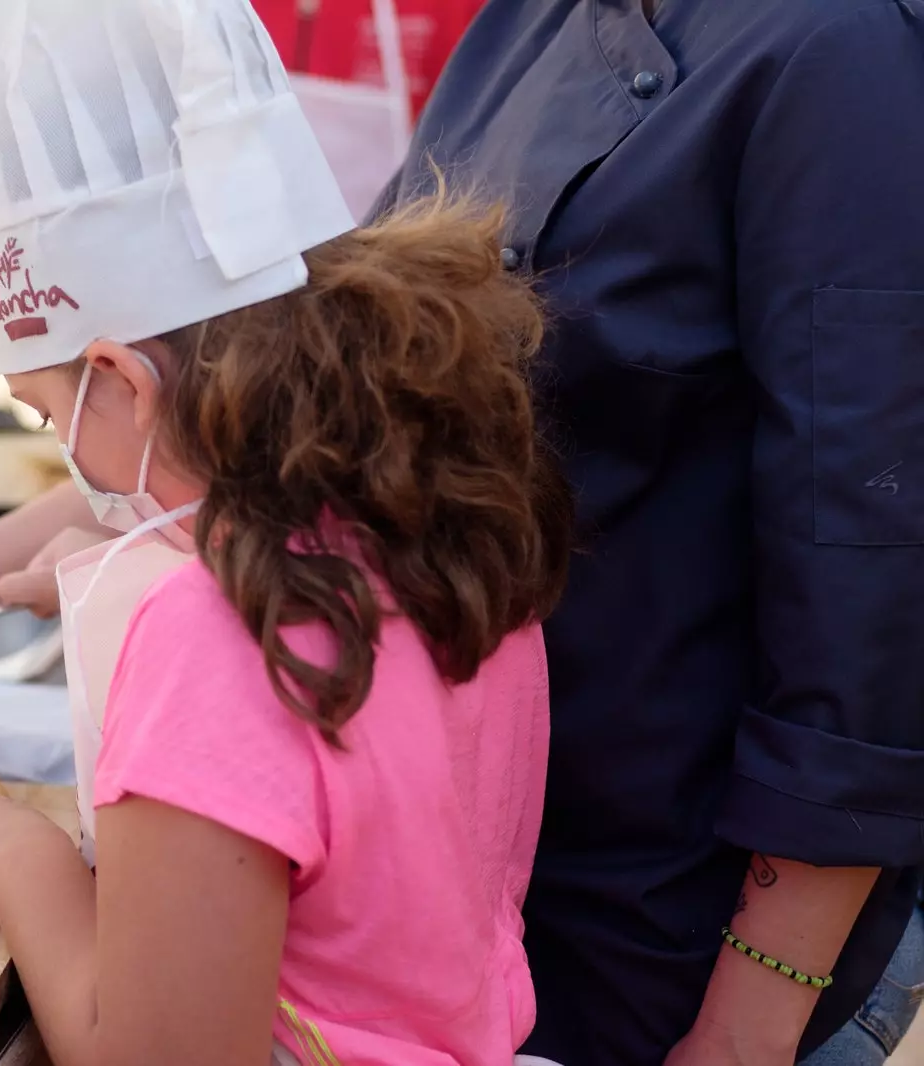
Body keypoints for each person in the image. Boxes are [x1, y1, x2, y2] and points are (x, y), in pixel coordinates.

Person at [0, 1, 571, 1061]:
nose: (64, 457)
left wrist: (14, 854)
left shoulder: (209, 636)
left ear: (123, 378)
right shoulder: (440, 518)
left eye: (46, 415)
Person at [370, 1, 924, 1064]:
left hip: (683, 938)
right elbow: (365, 364)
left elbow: (875, 588)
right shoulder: (530, 21)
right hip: (498, 893)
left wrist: (748, 1022)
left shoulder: (849, 50)